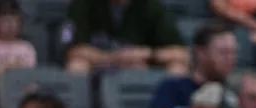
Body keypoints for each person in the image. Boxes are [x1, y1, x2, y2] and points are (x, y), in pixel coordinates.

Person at [61, 0, 189, 74]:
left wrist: (148, 54)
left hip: (139, 65)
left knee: (177, 68)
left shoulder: (151, 6)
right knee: (77, 66)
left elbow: (181, 53)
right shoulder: (84, 4)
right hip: (98, 66)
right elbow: (73, 51)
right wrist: (114, 58)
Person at [149, 21, 239, 108]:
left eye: (233, 52)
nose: (230, 58)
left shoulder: (233, 93)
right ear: (201, 53)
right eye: (223, 52)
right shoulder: (173, 89)